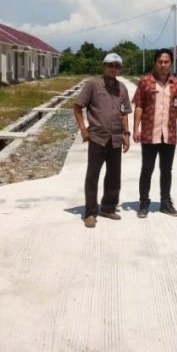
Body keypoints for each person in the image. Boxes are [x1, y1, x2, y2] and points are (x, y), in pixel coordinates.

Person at [73, 52, 132, 228]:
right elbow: (77, 107)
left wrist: (127, 134)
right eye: (110, 65)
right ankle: (90, 213)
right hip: (97, 137)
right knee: (93, 176)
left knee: (114, 176)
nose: (113, 68)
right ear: (103, 66)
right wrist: (83, 129)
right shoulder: (93, 84)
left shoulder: (122, 88)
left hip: (116, 139)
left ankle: (107, 207)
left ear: (119, 69)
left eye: (116, 66)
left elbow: (124, 113)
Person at [132, 48, 177, 218]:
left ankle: (165, 202)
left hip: (169, 134)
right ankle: (144, 202)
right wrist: (136, 128)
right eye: (160, 62)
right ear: (155, 63)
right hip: (149, 134)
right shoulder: (145, 82)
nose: (163, 65)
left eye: (166, 62)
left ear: (171, 63)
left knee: (166, 170)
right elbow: (139, 106)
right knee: (147, 169)